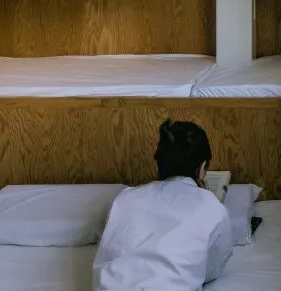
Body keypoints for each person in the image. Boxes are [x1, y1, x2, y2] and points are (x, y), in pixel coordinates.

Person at [93, 119, 232, 291]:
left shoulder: (125, 198)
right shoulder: (212, 207)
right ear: (202, 167)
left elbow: (108, 247)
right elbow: (212, 269)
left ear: (160, 162)